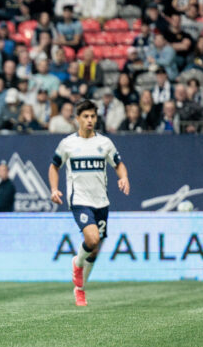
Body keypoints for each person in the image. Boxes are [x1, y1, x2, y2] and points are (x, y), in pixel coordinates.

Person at [48, 100, 130, 307]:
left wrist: (123, 178)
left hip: (101, 202)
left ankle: (80, 289)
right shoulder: (68, 143)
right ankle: (77, 263)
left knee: (95, 249)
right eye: (85, 116)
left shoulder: (104, 143)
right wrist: (54, 189)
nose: (90, 120)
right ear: (78, 119)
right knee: (92, 239)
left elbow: (119, 165)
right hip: (79, 201)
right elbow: (54, 167)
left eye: (93, 116)